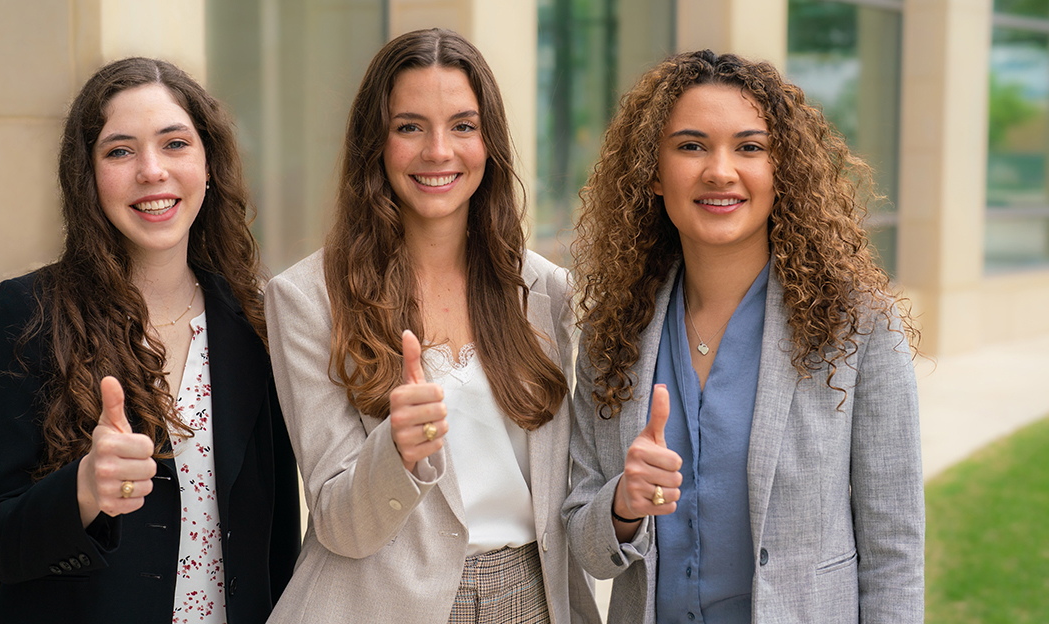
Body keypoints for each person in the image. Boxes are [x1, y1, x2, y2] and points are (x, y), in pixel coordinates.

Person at [562, 50, 924, 623]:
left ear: (783, 170)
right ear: (652, 172)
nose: (720, 171)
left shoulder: (859, 326)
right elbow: (584, 544)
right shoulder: (614, 335)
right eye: (691, 145)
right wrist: (623, 506)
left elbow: (895, 554)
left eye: (749, 147)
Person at [264, 28, 600, 624]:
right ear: (377, 143)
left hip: (537, 598)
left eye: (464, 126)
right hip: (383, 603)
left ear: (489, 142)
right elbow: (339, 523)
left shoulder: (546, 290)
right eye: (409, 126)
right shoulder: (306, 300)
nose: (439, 151)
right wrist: (395, 451)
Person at [0, 57, 299, 624]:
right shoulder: (27, 313)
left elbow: (277, 536)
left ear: (209, 164)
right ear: (88, 176)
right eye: (120, 151)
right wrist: (84, 491)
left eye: (175, 144)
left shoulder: (253, 321)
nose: (151, 171)